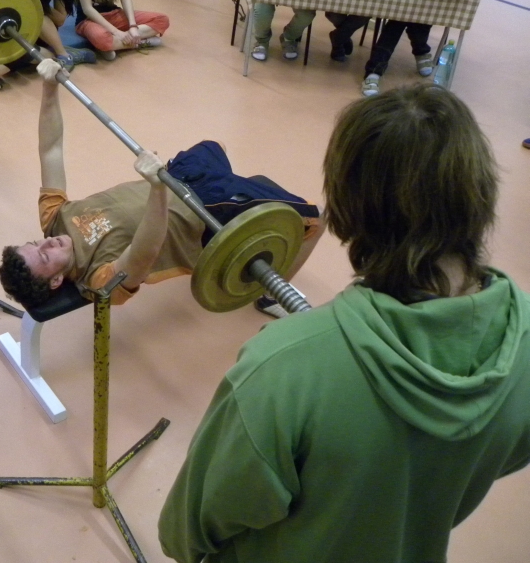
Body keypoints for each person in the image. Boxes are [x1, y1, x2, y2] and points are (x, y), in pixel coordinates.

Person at [159, 85, 530, 563]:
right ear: (480, 190)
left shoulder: (280, 370)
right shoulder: (523, 336)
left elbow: (184, 535)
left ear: (348, 204)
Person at [0, 58, 324, 311]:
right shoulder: (98, 281)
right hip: (204, 210)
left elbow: (51, 149)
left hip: (176, 178)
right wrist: (156, 188)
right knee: (314, 221)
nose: (47, 243)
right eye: (44, 257)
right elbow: (145, 252)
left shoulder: (54, 218)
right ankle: (269, 296)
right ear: (56, 280)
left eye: (35, 243)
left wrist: (49, 88)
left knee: (216, 146)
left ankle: (243, 190)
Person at [5, 0, 77, 61]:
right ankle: (64, 53)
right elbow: (14, 10)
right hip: (16, 26)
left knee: (39, 15)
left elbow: (60, 20)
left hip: (40, 30)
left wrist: (39, 5)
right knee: (36, 15)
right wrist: (33, 2)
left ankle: (63, 55)